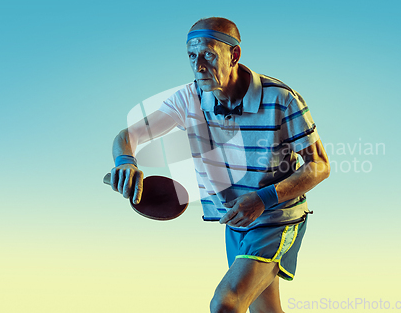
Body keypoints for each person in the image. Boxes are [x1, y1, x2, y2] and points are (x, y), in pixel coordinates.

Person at [109, 17, 330, 313]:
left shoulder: (282, 99)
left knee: (225, 304)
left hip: (277, 217)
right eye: (192, 56)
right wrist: (125, 161)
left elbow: (319, 165)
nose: (198, 66)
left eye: (208, 55)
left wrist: (263, 199)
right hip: (236, 222)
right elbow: (128, 136)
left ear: (234, 55)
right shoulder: (189, 98)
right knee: (265, 311)